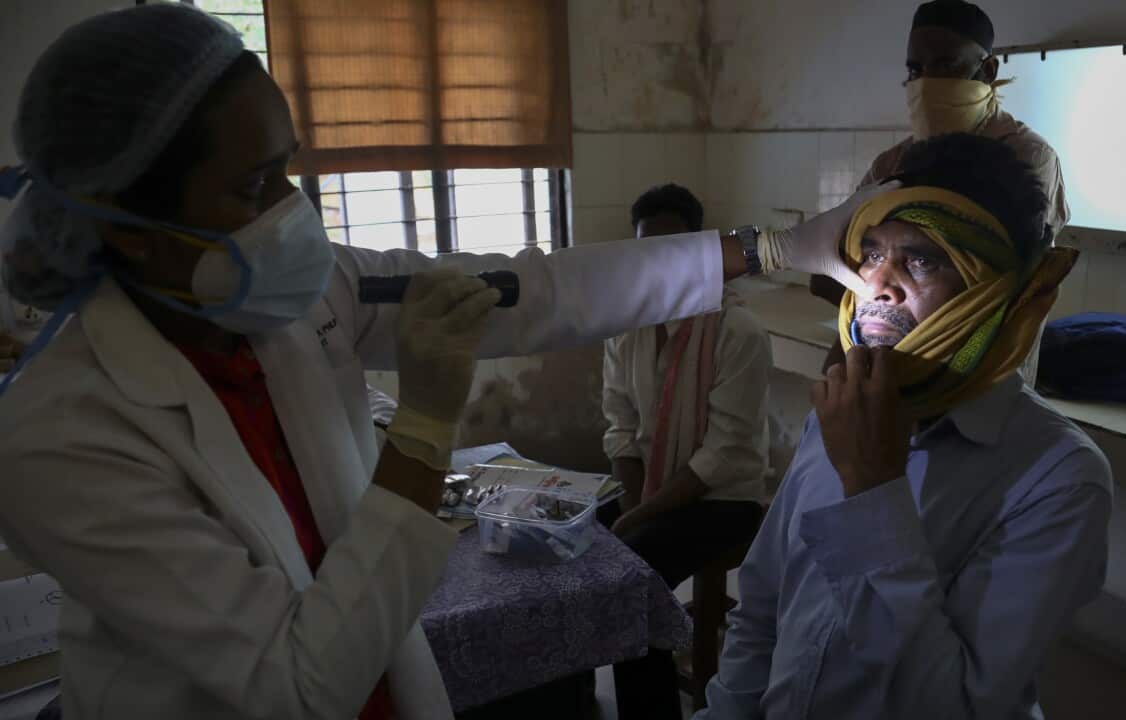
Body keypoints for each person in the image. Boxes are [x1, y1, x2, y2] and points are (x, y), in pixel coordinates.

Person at [0, 6, 869, 720]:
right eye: (252, 187)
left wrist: (771, 247)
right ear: (124, 223)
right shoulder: (59, 436)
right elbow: (301, 687)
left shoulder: (297, 295)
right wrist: (420, 426)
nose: (291, 215)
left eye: (289, 171)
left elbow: (536, 291)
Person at [697, 134, 1112, 719]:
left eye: (921, 260)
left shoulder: (1058, 479)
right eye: (870, 254)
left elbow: (957, 706)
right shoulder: (842, 411)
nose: (877, 287)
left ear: (993, 288)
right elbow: (764, 607)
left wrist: (873, 491)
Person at [811, 0, 1069, 383]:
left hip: (979, 364)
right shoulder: (893, 162)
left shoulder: (1027, 158)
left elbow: (994, 283)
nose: (926, 80)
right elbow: (834, 265)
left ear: (988, 70)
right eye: (916, 69)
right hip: (890, 359)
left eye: (946, 65)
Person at [601, 185, 770, 720]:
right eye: (646, 249)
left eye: (672, 250)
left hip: (724, 501)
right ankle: (571, 697)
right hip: (652, 489)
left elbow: (719, 458)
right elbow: (621, 426)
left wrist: (637, 519)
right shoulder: (626, 326)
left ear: (698, 251)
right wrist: (633, 508)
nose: (657, 264)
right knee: (568, 545)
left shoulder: (735, 330)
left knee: (633, 574)